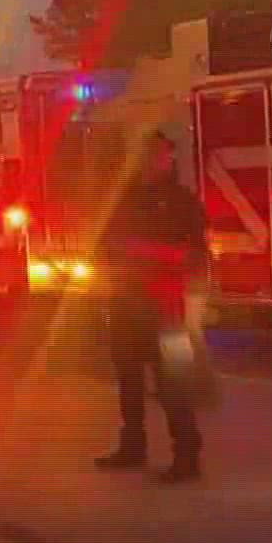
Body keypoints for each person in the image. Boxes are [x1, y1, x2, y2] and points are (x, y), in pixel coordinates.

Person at [93, 130, 209, 483]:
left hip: (166, 307)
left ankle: (187, 456)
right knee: (128, 378)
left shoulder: (183, 201)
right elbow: (104, 244)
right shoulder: (124, 198)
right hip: (126, 302)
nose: (151, 160)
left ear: (170, 157)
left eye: (159, 153)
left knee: (173, 382)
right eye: (146, 153)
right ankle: (133, 446)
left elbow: (197, 255)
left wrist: (148, 254)